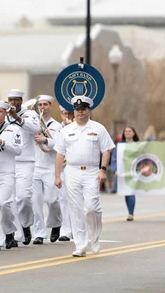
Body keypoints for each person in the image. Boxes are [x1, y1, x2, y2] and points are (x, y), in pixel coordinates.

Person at [54, 95, 115, 257]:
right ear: (74, 111)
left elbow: (107, 150)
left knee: (91, 208)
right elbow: (60, 154)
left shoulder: (98, 128)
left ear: (89, 111)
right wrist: (57, 176)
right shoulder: (66, 130)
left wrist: (103, 169)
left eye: (83, 109)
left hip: (91, 171)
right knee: (75, 209)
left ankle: (94, 238)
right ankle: (80, 245)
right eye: (77, 110)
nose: (80, 112)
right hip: (72, 171)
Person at [6, 89, 40, 245]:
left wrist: (18, 119)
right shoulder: (4, 115)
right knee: (7, 200)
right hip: (8, 161)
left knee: (24, 198)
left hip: (26, 162)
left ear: (21, 100)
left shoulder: (30, 114)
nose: (13, 103)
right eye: (11, 100)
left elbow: (35, 129)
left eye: (16, 100)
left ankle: (26, 225)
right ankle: (12, 231)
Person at [0, 101, 22, 250]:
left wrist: (3, 143)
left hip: (6, 172)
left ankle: (9, 231)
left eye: (0, 111)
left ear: (6, 113)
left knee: (4, 203)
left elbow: (19, 150)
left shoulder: (13, 129)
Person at [31, 95, 63, 244]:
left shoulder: (57, 126)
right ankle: (39, 233)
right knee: (35, 202)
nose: (42, 107)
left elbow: (60, 145)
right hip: (35, 166)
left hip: (50, 166)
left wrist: (46, 140)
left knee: (52, 200)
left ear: (50, 106)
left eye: (45, 104)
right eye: (40, 104)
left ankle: (56, 224)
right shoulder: (33, 123)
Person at [110, 125, 140, 221]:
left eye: (129, 131)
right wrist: (114, 170)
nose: (127, 132)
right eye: (125, 131)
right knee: (126, 193)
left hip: (134, 172)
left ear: (134, 133)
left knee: (131, 192)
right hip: (122, 172)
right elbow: (114, 158)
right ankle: (129, 211)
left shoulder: (138, 145)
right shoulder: (119, 145)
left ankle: (130, 214)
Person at [57, 105, 74, 241]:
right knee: (63, 200)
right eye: (64, 113)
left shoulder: (77, 127)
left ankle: (77, 227)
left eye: (69, 113)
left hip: (75, 168)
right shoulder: (57, 128)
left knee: (76, 200)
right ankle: (66, 229)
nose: (67, 116)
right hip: (62, 167)